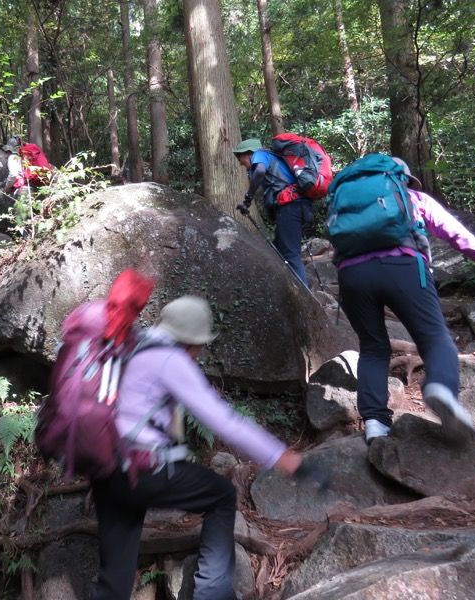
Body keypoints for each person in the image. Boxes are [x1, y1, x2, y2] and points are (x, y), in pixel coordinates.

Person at [91, 295, 330, 600]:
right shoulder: (170, 359)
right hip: (142, 467)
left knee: (115, 576)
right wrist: (286, 459)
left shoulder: (134, 346)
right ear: (191, 341)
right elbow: (225, 422)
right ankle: (212, 594)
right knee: (221, 495)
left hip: (104, 466)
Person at [336, 157, 475, 444]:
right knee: (434, 339)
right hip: (403, 268)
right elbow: (456, 234)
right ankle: (440, 388)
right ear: (402, 179)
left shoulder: (346, 205)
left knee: (373, 347)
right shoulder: (414, 198)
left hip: (351, 274)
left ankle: (375, 422)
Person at [234, 139, 313, 288]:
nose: (240, 162)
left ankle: (308, 300)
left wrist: (248, 199)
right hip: (299, 207)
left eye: (240, 157)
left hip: (291, 207)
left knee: (290, 254)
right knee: (277, 251)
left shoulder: (260, 154)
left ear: (249, 153)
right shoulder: (273, 157)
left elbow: (260, 171)